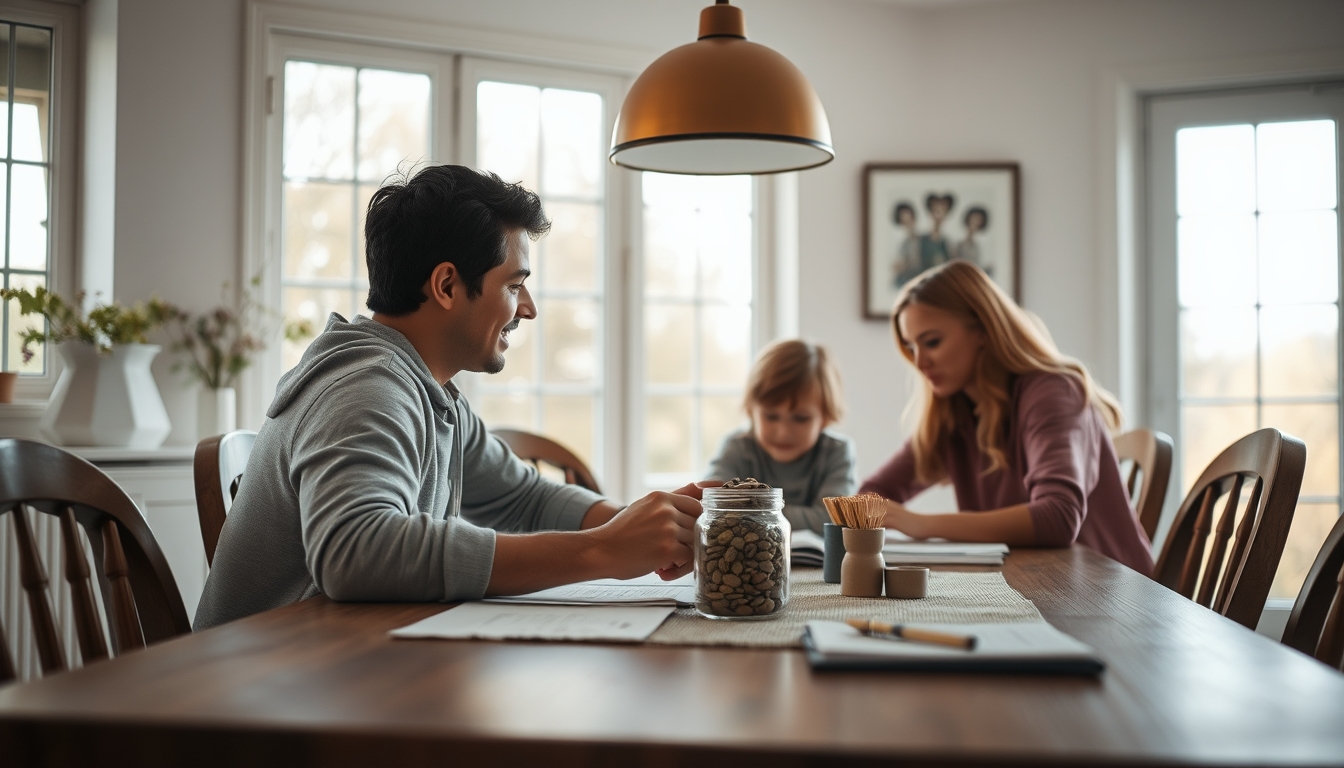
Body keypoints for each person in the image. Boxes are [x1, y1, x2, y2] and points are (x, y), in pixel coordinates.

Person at [194, 165, 701, 630]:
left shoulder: (432, 394)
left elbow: (522, 496)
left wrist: (647, 527)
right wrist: (600, 552)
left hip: (338, 674)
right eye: (514, 286)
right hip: (258, 697)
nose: (528, 309)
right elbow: (356, 552)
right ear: (446, 285)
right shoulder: (367, 387)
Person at [859, 261, 1153, 574]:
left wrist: (919, 524)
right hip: (1028, 582)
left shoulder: (1053, 391)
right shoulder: (954, 415)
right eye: (910, 346)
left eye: (931, 342)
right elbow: (871, 496)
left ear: (983, 330)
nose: (919, 362)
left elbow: (1057, 517)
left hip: (1109, 595)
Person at [705, 339, 858, 534]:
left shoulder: (836, 452)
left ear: (825, 418)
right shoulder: (737, 447)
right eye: (771, 416)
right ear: (752, 411)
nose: (783, 432)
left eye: (801, 419)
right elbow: (712, 507)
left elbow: (833, 520)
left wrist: (747, 510)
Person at [952, 206, 989, 275]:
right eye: (974, 218)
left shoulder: (977, 246)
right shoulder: (958, 243)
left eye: (978, 220)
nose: (975, 222)